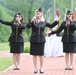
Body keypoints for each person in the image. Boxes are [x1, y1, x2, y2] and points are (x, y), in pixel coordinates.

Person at [27, 8, 60, 73]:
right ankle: (35, 68)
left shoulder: (44, 22)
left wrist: (57, 21)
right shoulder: (33, 21)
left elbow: (51, 26)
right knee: (34, 54)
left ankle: (41, 68)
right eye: (36, 12)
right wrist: (31, 21)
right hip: (34, 39)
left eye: (39, 12)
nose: (37, 13)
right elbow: (27, 26)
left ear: (41, 13)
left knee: (41, 55)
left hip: (41, 40)